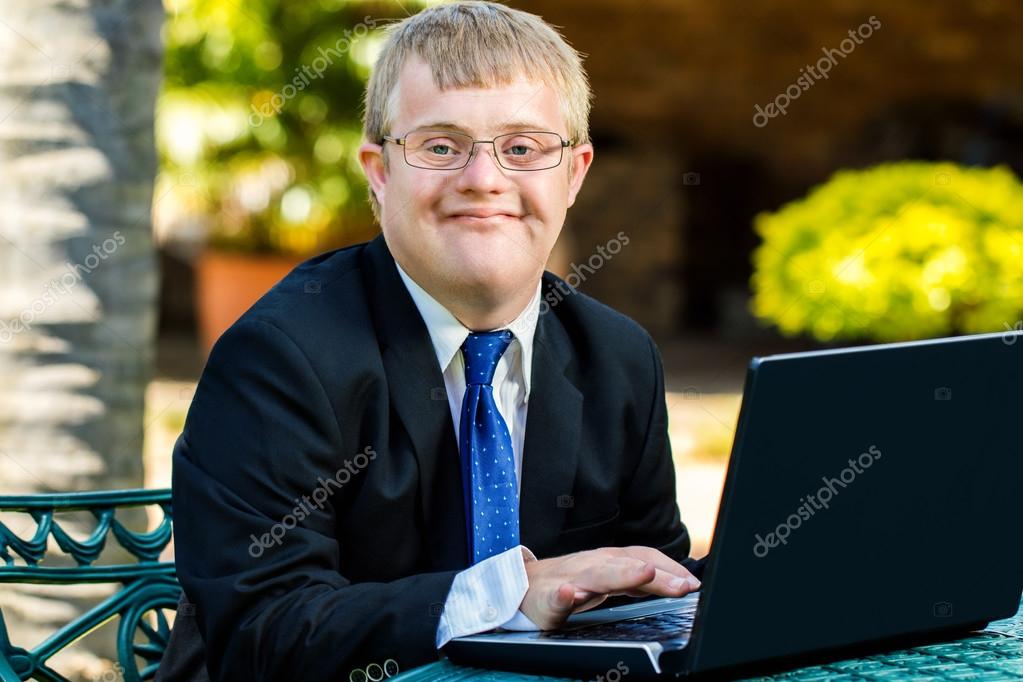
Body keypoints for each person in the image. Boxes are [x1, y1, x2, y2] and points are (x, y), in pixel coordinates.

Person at [164, 2, 704, 680]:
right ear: (379, 170)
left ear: (574, 173)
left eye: (522, 148)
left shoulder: (619, 357)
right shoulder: (279, 358)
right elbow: (263, 634)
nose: (483, 181)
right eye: (441, 146)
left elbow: (656, 587)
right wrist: (503, 596)